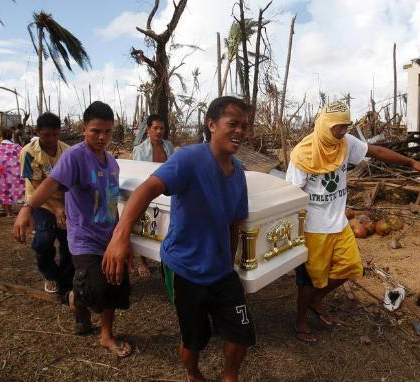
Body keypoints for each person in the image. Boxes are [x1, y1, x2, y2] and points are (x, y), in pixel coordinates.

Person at [103, 96, 255, 382]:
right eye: (232, 124)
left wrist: (230, 263)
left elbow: (234, 223)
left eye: (244, 126)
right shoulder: (188, 159)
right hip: (185, 269)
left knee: (241, 332)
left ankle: (229, 375)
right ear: (211, 124)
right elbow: (146, 189)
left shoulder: (238, 175)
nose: (239, 132)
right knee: (194, 338)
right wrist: (120, 235)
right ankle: (192, 372)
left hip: (222, 272)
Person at [286, 101, 420, 343]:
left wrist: (410, 162)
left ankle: (317, 301)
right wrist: (293, 233)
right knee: (308, 280)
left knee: (351, 267)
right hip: (312, 228)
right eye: (337, 128)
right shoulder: (303, 154)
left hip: (339, 224)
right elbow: (291, 196)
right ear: (323, 125)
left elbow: (376, 152)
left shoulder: (345, 143)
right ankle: (301, 322)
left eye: (345, 127)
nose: (341, 132)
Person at [14, 102, 132, 357]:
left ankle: (106, 335)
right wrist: (27, 208)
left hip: (109, 238)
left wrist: (122, 236)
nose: (102, 137)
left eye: (107, 131)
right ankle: (76, 298)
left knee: (113, 285)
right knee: (95, 289)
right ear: (84, 129)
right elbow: (51, 183)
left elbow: (112, 202)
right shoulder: (74, 156)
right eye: (95, 131)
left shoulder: (112, 163)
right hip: (84, 238)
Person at [19, 113, 71, 295]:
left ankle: (66, 278)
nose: (51, 140)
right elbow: (37, 185)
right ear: (38, 132)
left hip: (64, 202)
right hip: (40, 202)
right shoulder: (28, 152)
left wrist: (64, 207)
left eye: (55, 135)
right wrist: (56, 208)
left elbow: (70, 183)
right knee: (43, 240)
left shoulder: (67, 152)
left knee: (68, 241)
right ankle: (50, 274)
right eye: (46, 135)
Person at [131, 114, 175, 279]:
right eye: (155, 128)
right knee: (144, 225)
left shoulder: (168, 146)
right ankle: (143, 261)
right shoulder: (140, 150)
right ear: (148, 130)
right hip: (147, 190)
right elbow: (138, 174)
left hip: (167, 190)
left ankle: (166, 258)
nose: (158, 131)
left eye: (161, 128)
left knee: (164, 226)